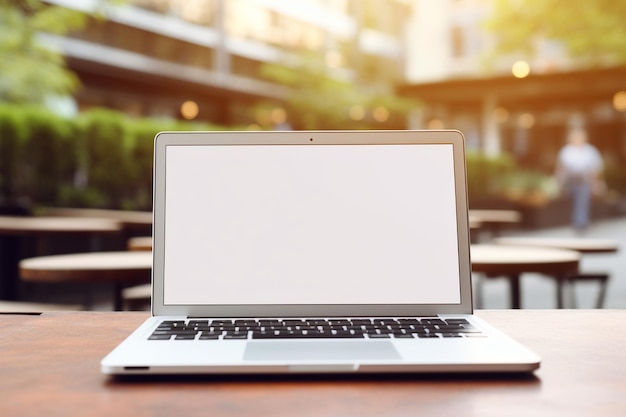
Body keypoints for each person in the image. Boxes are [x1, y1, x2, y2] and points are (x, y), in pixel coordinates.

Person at [555, 128, 605, 233]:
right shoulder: (566, 150)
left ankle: (580, 223)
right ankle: (575, 221)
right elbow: (560, 167)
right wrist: (558, 180)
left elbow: (596, 169)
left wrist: (596, 183)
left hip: (584, 180)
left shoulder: (590, 151)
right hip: (569, 181)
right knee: (571, 201)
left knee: (582, 201)